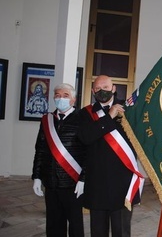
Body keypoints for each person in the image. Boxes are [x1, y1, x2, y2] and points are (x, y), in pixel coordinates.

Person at [78, 75, 143, 237]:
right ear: (93, 91)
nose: (102, 91)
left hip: (122, 182)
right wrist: (109, 117)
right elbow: (85, 137)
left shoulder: (129, 111)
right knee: (98, 231)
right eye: (98, 89)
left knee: (121, 230)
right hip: (97, 182)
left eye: (106, 88)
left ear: (114, 89)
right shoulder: (85, 114)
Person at [32, 83, 86, 237]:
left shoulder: (83, 119)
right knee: (54, 225)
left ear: (74, 99)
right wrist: (36, 177)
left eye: (65, 95)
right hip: (51, 182)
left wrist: (83, 178)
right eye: (57, 95)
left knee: (75, 226)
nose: (60, 98)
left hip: (73, 183)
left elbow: (88, 153)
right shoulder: (47, 120)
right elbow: (40, 149)